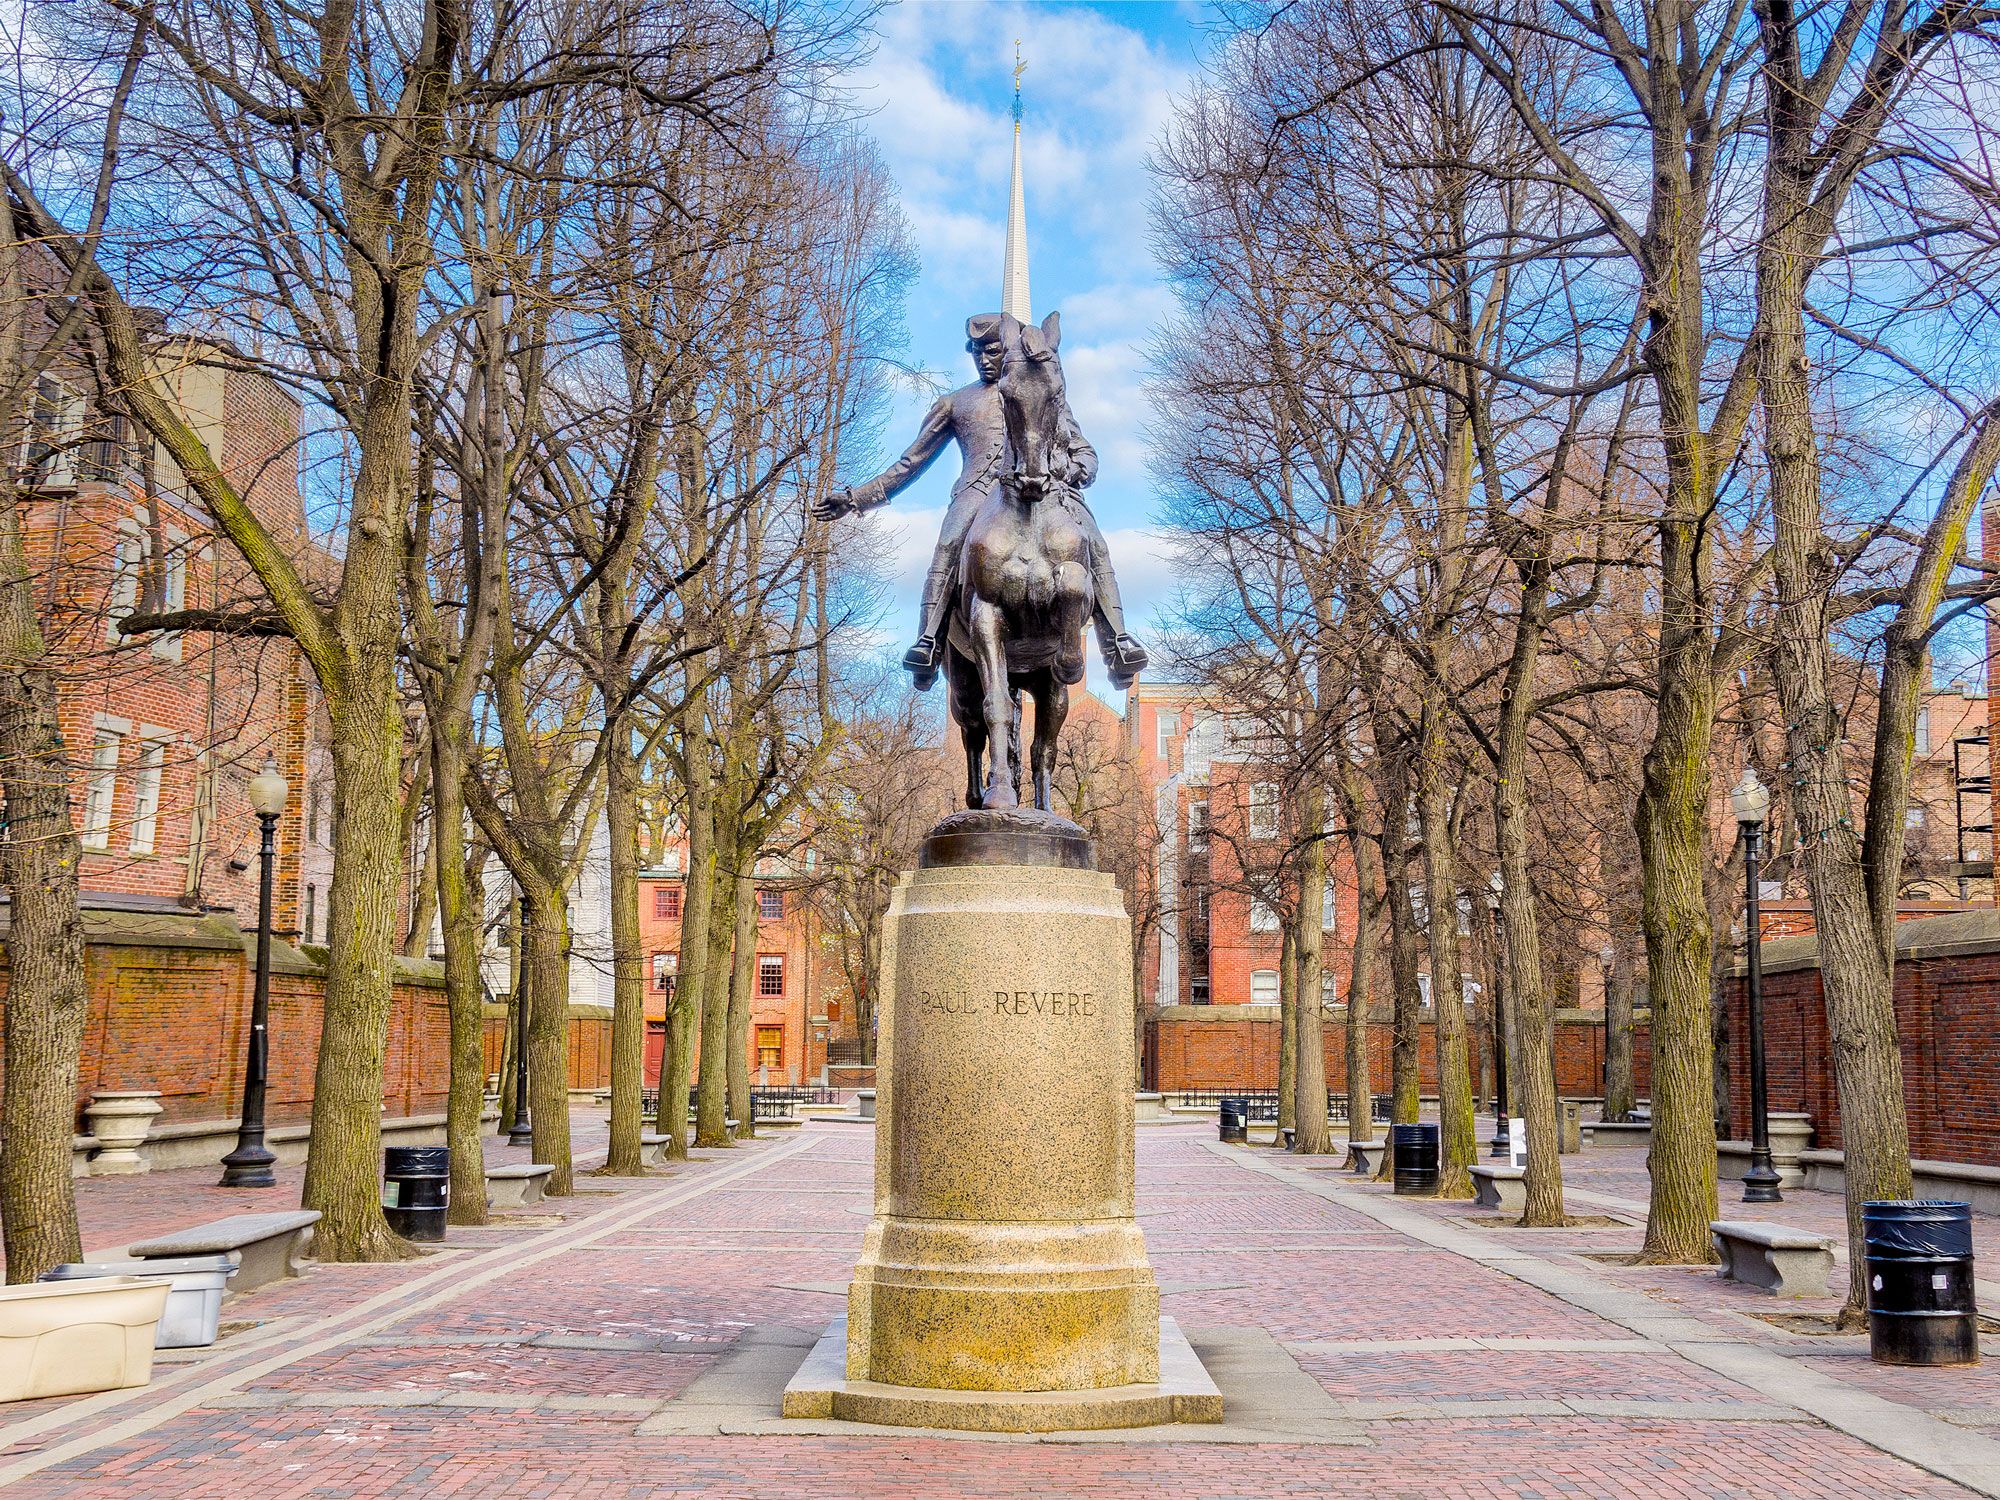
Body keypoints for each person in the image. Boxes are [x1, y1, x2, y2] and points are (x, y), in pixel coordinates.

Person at [814, 312, 1148, 690]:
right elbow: (911, 462)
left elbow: (1082, 448)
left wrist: (1077, 469)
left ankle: (1117, 642)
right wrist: (857, 498)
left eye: (993, 350)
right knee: (948, 542)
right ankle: (929, 640)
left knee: (1092, 541)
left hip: (1043, 487)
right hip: (977, 492)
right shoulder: (954, 403)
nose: (986, 358)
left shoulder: (1039, 387)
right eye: (978, 351)